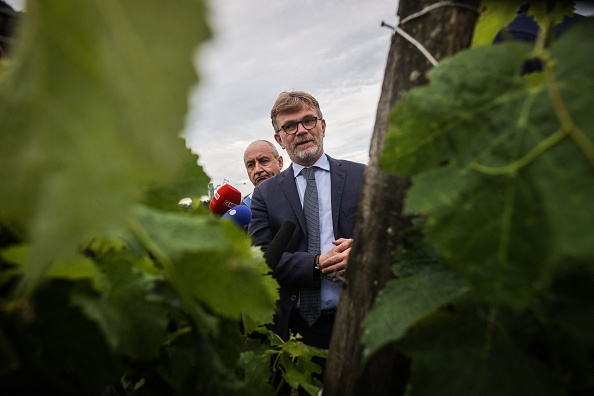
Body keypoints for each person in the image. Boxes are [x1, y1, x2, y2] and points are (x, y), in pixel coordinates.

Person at [248, 91, 365, 356]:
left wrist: (364, 248)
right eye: (290, 126)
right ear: (279, 138)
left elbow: (393, 238)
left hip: (362, 318)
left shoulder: (362, 177)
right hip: (299, 330)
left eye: (309, 121)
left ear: (322, 126)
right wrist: (315, 264)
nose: (301, 130)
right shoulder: (265, 195)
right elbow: (261, 259)